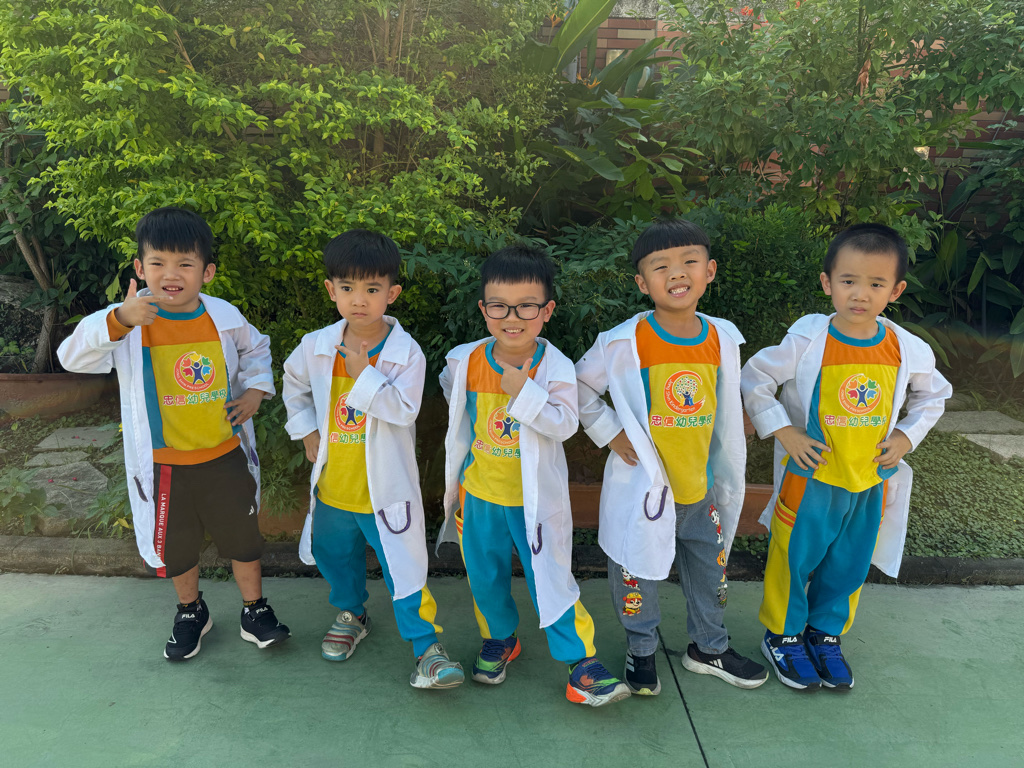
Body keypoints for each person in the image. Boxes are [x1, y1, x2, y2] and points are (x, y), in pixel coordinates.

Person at [57, 206, 289, 660]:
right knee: (177, 547)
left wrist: (257, 391)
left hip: (224, 454)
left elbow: (256, 349)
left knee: (243, 539)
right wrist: (119, 319)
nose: (171, 275)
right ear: (140, 268)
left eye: (185, 264)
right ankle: (191, 611)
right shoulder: (127, 321)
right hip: (165, 465)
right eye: (158, 263)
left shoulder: (224, 316)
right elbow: (72, 357)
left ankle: (255, 609)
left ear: (207, 272)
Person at [741, 223, 951, 691]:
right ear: (827, 283)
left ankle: (825, 633)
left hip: (869, 479)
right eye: (849, 281)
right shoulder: (808, 340)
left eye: (876, 284)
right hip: (811, 477)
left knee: (851, 560)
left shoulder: (904, 347)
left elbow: (934, 396)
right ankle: (783, 635)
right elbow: (754, 378)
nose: (860, 294)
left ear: (895, 291)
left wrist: (906, 437)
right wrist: (784, 430)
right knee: (794, 556)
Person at [575, 219, 768, 695]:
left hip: (701, 488)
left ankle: (709, 647)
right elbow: (576, 386)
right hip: (643, 490)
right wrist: (610, 431)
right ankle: (641, 650)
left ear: (709, 271)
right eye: (660, 267)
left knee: (709, 571)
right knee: (635, 571)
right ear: (643, 283)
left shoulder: (721, 337)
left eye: (689, 262)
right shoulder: (622, 341)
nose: (677, 273)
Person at [437, 244, 630, 707]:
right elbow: (455, 403)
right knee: (484, 577)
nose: (512, 317)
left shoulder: (555, 366)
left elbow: (564, 424)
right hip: (478, 496)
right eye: (499, 306)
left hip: (535, 502)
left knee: (552, 577)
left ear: (547, 310)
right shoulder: (464, 361)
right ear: (483, 309)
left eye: (526, 306)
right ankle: (500, 639)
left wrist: (522, 391)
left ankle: (580, 662)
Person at [282, 229, 464, 689]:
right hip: (334, 487)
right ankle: (352, 613)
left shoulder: (405, 353)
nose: (358, 300)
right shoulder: (316, 345)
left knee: (405, 566)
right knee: (333, 554)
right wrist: (306, 430)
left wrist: (363, 375)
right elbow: (293, 384)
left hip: (384, 491)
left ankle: (426, 647)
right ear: (331, 290)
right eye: (347, 288)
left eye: (371, 289)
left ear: (392, 294)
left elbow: (404, 410)